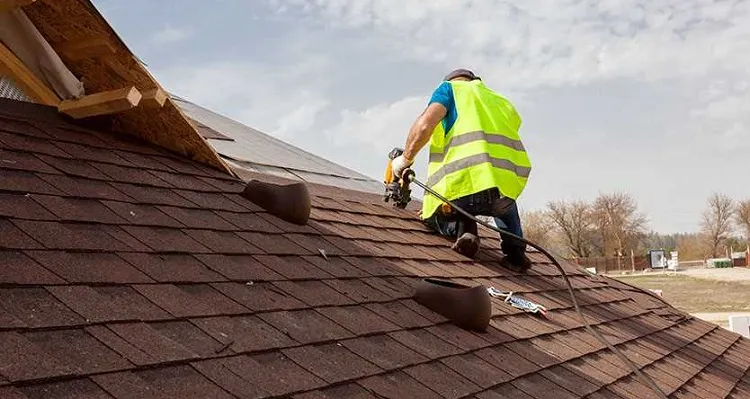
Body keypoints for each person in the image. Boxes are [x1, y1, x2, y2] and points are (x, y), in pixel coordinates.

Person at [391, 69, 533, 272]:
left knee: (439, 212)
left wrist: (404, 159)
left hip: (463, 187)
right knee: (504, 203)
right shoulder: (498, 99)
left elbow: (424, 126)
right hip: (503, 187)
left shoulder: (449, 89)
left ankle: (466, 232)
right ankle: (516, 253)